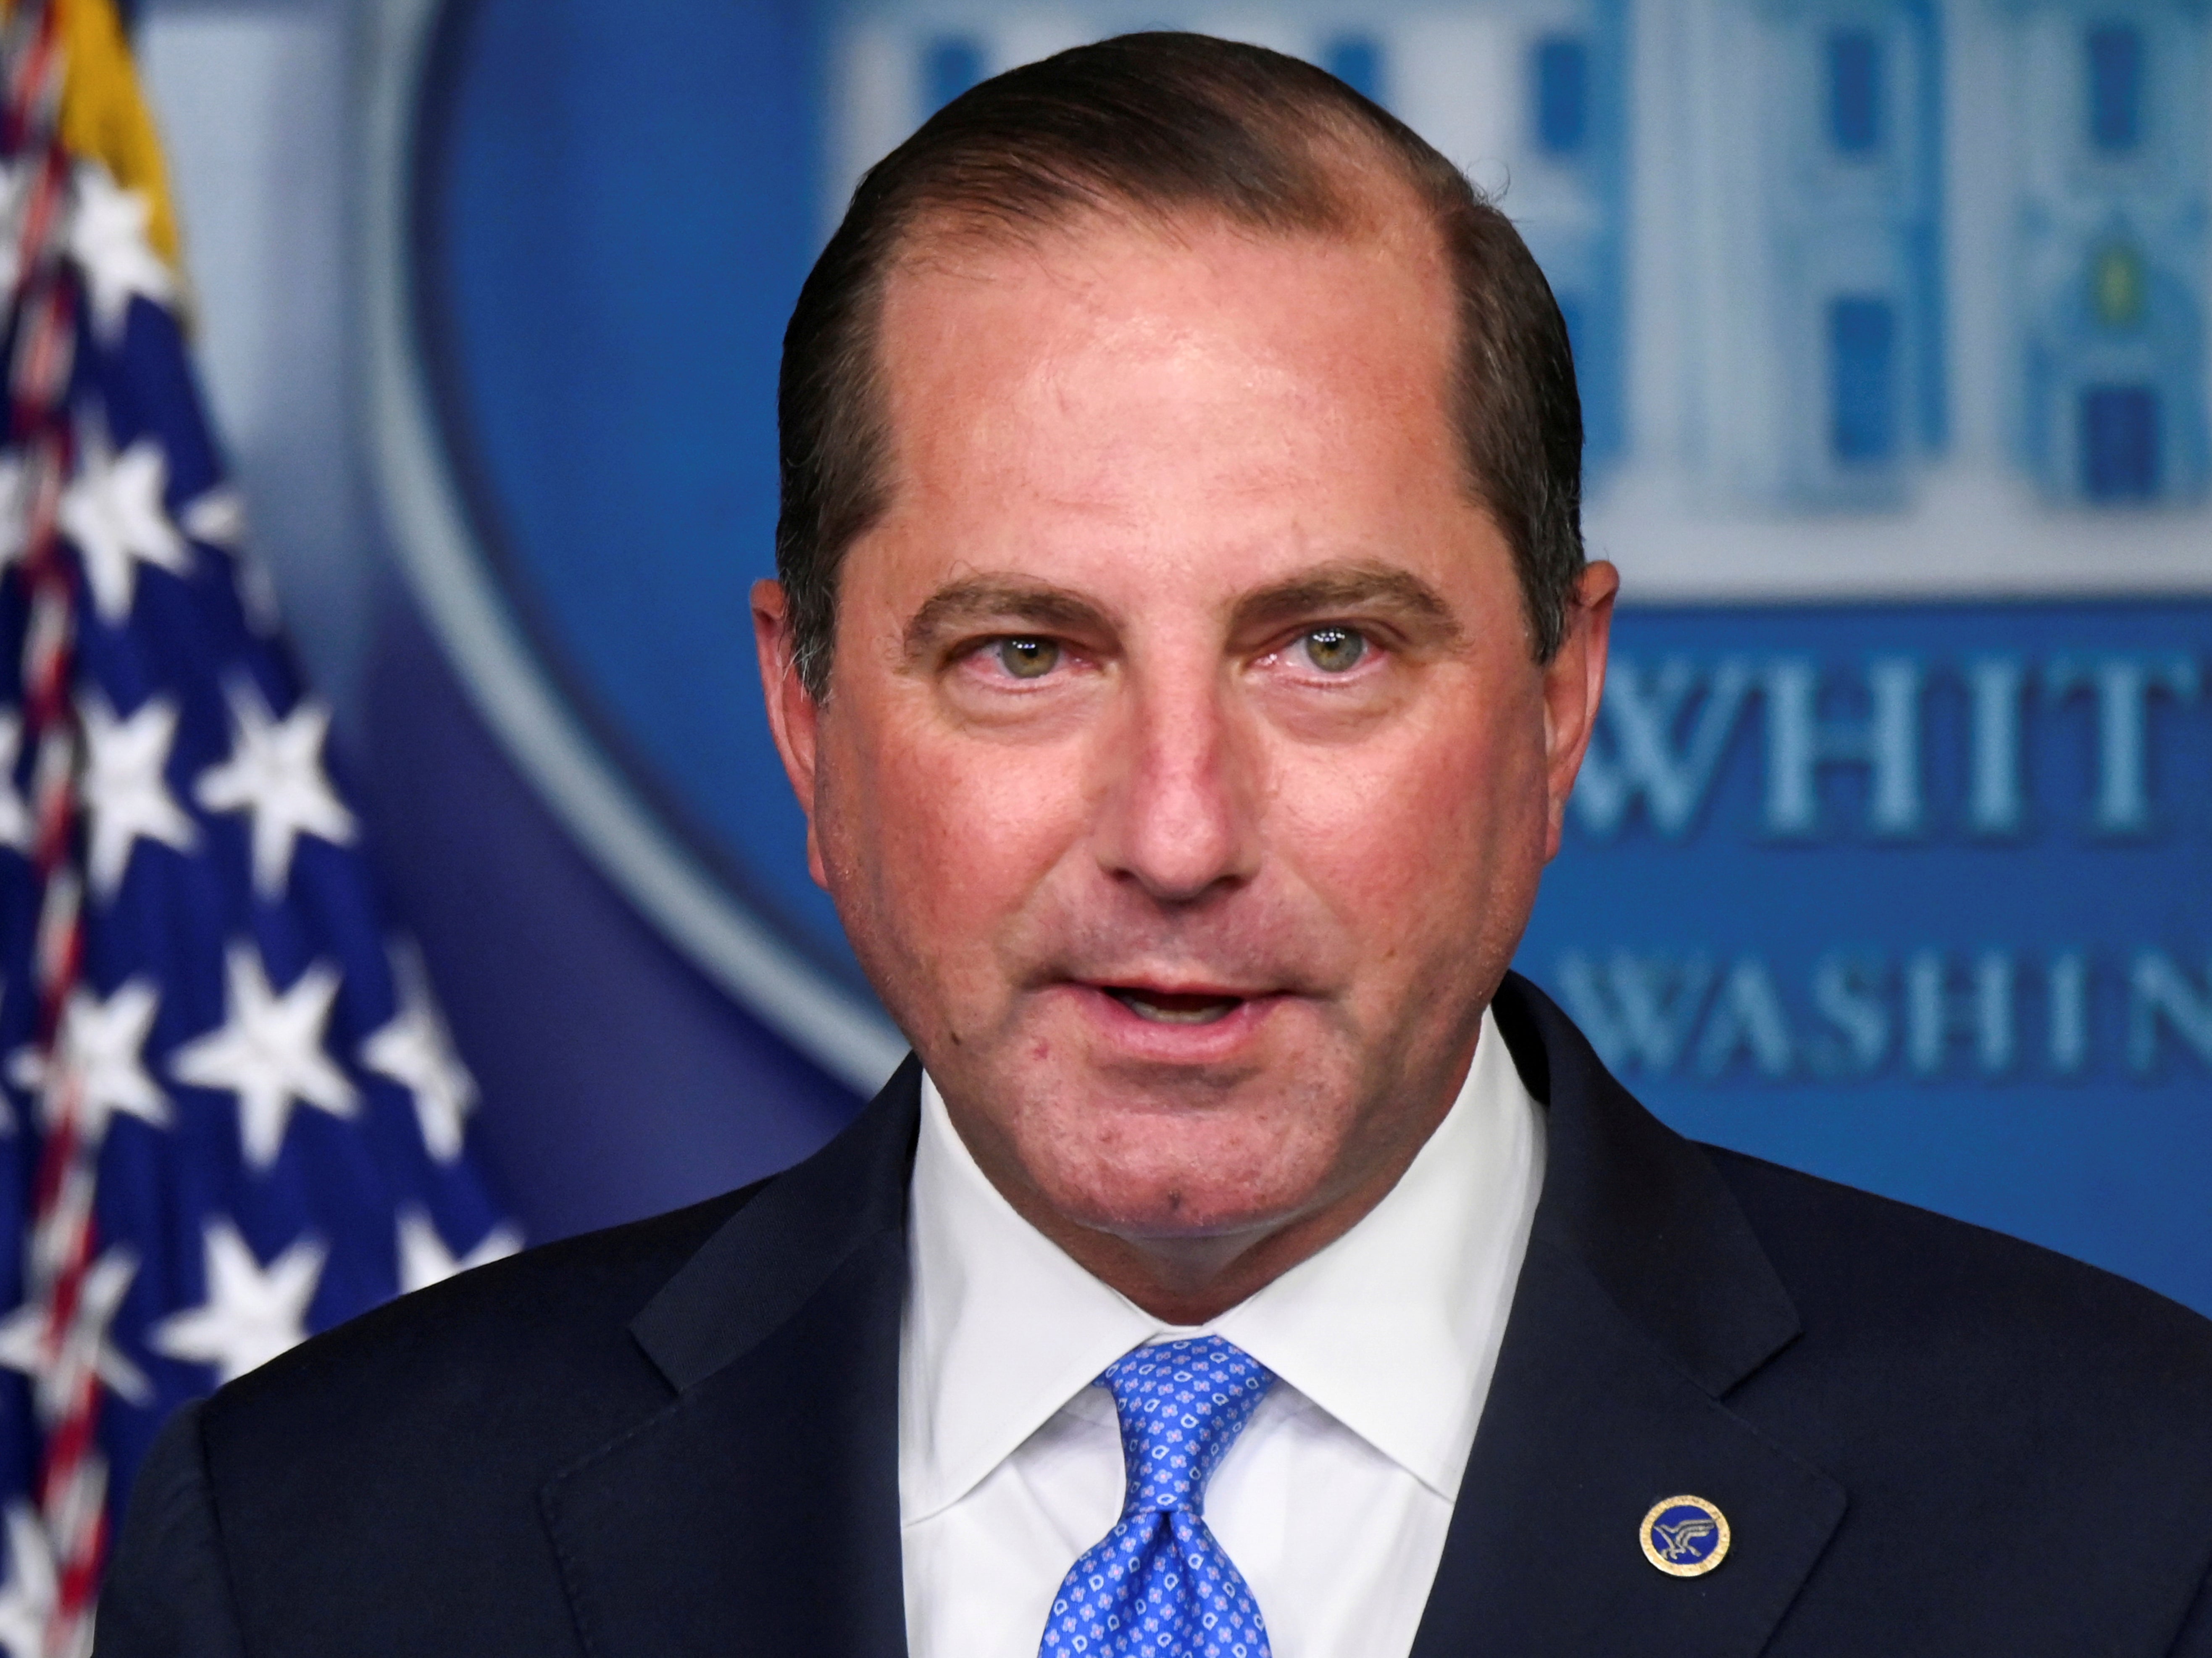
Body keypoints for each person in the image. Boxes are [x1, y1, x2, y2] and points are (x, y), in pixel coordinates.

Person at [100, 32, 2212, 1658]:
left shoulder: (2133, 1526)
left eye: (1325, 648)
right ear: (807, 713)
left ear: (1558, 704)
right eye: (1026, 654)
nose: (1177, 833)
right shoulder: (318, 1552)